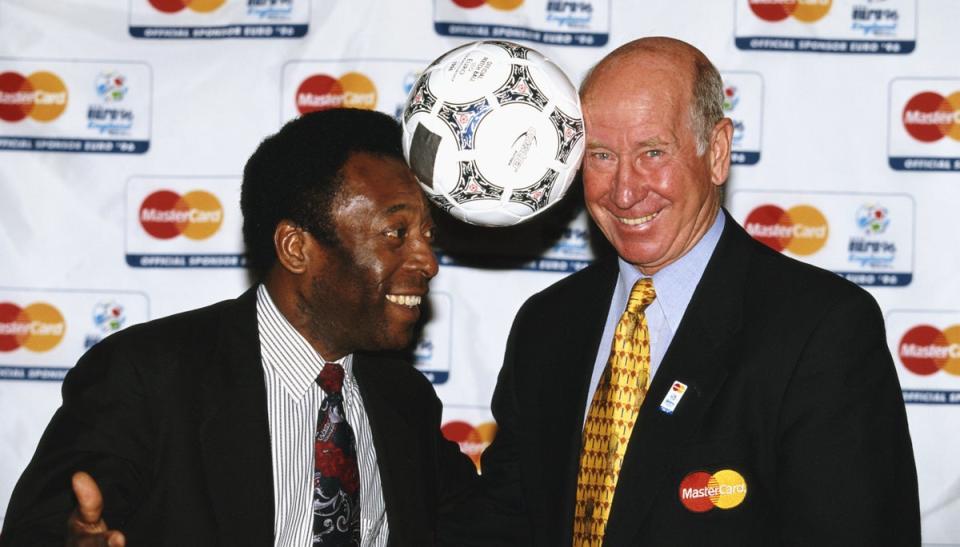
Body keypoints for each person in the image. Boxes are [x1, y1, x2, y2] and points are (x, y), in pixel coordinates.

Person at [475, 37, 921, 546]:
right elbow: (505, 522)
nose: (624, 191)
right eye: (601, 155)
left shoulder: (820, 330)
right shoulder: (546, 324)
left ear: (718, 152)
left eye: (652, 152)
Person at [0, 108, 477, 546]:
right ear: (295, 248)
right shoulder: (147, 376)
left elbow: (483, 524)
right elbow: (44, 528)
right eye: (397, 234)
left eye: (428, 235)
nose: (428, 261)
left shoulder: (404, 398)